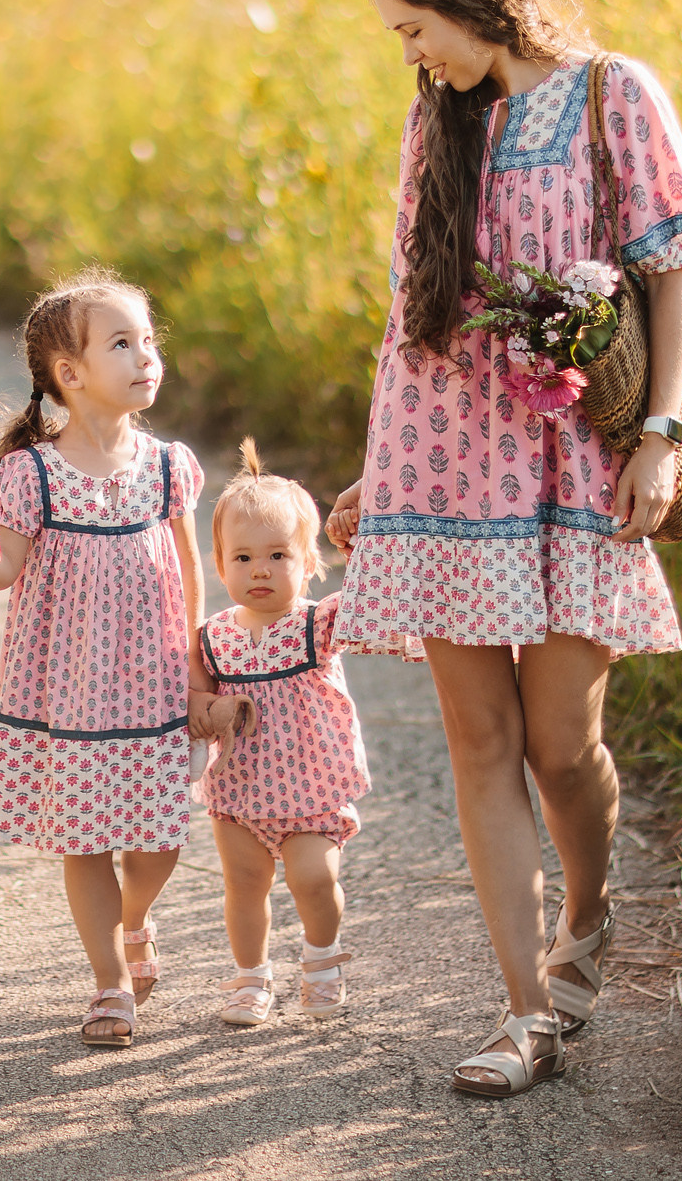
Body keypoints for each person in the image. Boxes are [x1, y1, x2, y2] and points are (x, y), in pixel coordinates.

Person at [325, 0, 682, 1099]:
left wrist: (658, 436)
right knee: (478, 739)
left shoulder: (614, 95)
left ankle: (585, 923)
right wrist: (373, 469)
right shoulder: (434, 127)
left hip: (574, 468)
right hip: (442, 467)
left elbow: (674, 272)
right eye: (398, 39)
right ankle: (523, 1010)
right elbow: (412, 315)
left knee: (563, 745)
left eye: (412, 27)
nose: (413, 54)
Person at [0, 270, 205, 1047]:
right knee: (87, 836)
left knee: (162, 833)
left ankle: (134, 920)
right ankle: (109, 982)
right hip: (72, 691)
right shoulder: (31, 472)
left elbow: (192, 567)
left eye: (148, 339)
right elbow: (4, 569)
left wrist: (201, 661)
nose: (146, 355)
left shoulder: (168, 465)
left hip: (157, 681)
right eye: (122, 343)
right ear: (70, 374)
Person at [193, 440, 422, 1027]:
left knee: (312, 878)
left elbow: (374, 597)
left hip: (311, 789)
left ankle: (321, 959)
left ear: (309, 563)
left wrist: (360, 539)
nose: (260, 570)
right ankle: (250, 978)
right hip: (239, 791)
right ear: (220, 565)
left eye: (278, 555)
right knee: (244, 886)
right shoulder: (212, 638)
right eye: (242, 558)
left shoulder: (316, 625)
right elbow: (190, 702)